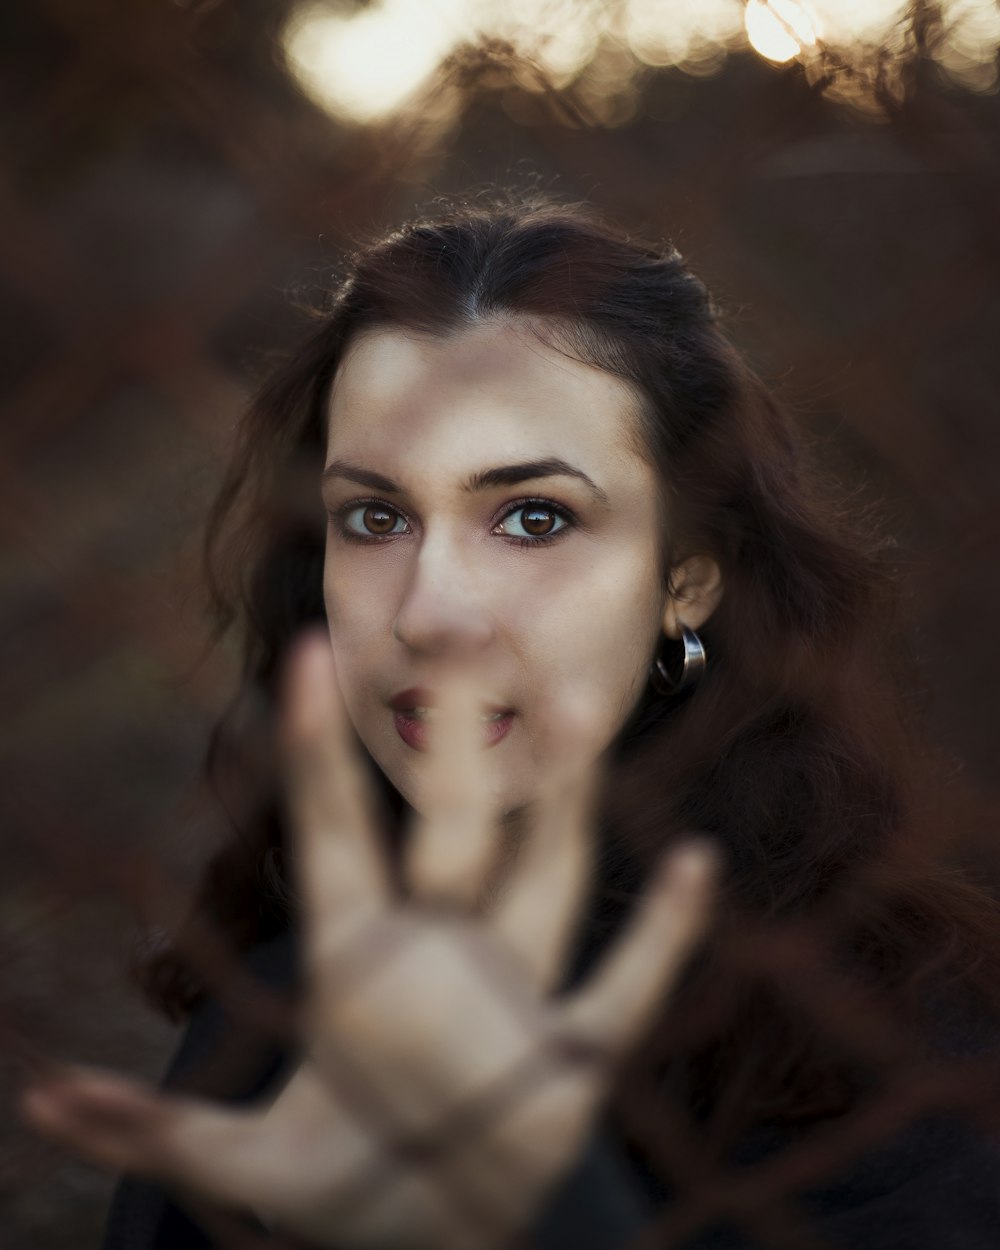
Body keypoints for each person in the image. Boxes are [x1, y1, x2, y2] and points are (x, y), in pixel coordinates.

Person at [20, 195, 1000, 1249]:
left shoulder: (898, 1046)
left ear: (686, 577)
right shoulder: (276, 984)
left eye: (534, 517)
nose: (429, 609)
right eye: (376, 516)